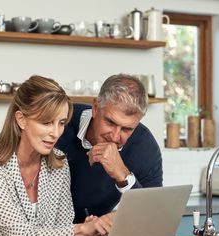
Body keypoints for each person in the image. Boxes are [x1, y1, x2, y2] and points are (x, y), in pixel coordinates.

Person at [0, 75, 111, 236]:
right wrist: (80, 231)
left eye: (61, 123)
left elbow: (61, 230)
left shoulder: (59, 165)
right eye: (46, 122)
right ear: (21, 119)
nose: (56, 133)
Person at [57, 74, 163, 224]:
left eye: (127, 129)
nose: (115, 136)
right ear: (95, 108)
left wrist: (123, 176)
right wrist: (78, 232)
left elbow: (152, 217)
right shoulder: (60, 123)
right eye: (110, 122)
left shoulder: (145, 146)